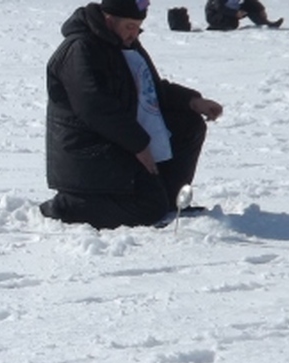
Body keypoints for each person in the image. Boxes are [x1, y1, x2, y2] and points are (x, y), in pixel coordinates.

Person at [40, 0, 225, 230]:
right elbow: (94, 107)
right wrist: (139, 144)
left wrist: (193, 101)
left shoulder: (126, 44)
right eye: (129, 26)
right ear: (109, 20)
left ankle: (168, 199)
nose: (134, 33)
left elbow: (150, 90)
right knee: (148, 208)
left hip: (118, 139)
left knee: (188, 125)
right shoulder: (80, 49)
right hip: (88, 150)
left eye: (138, 27)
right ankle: (68, 206)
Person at [205, 0, 283, 30]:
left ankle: (265, 23)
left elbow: (250, 2)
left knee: (250, 6)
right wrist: (235, 13)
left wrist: (261, 9)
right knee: (231, 24)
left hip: (232, 11)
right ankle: (215, 28)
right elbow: (219, 7)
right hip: (216, 15)